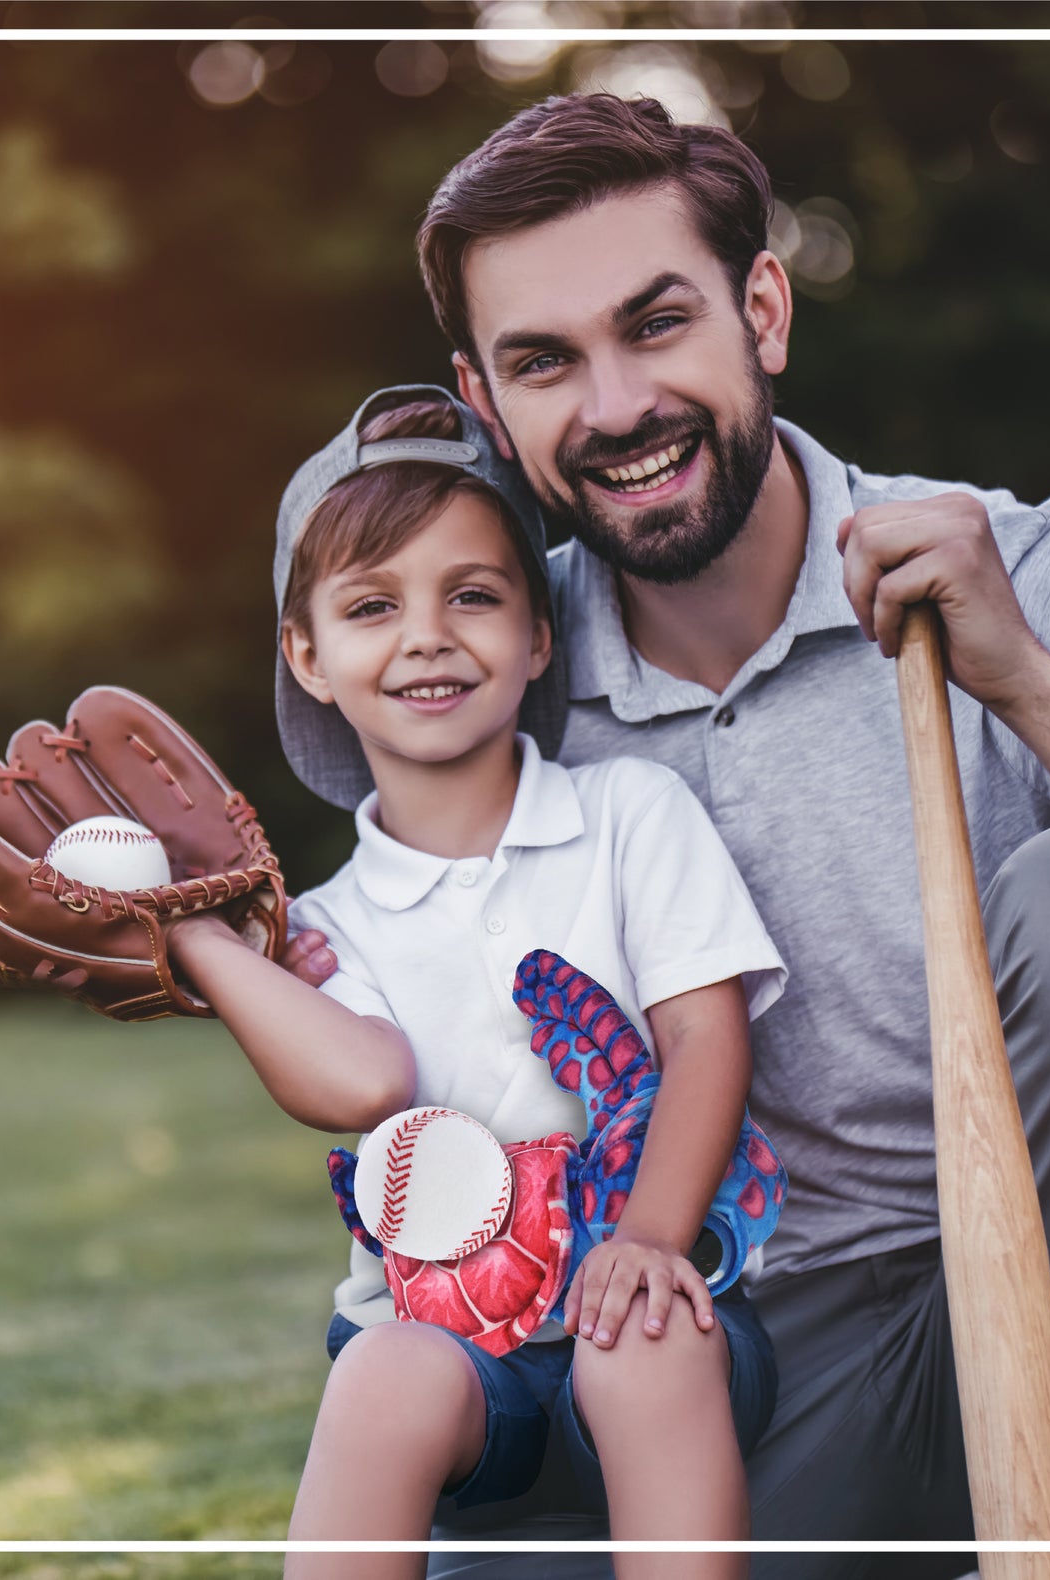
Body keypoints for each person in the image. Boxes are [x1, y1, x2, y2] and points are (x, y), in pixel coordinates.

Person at [278, 94, 1050, 1578]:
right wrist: (177, 940)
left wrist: (1031, 684)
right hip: (750, 1350)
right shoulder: (488, 666)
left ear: (764, 308)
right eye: (543, 362)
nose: (611, 407)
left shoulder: (1031, 567)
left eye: (656, 323)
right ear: (484, 397)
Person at [172, 386, 790, 1579]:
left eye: (472, 594)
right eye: (368, 606)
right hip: (462, 1374)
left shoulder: (626, 815)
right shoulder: (320, 928)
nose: (426, 635)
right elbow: (363, 1077)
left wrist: (650, 1236)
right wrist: (202, 940)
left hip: (661, 1324)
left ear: (538, 632)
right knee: (382, 1368)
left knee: (642, 1333)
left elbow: (707, 1041)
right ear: (305, 653)